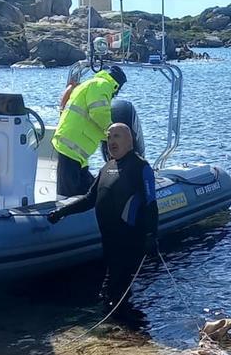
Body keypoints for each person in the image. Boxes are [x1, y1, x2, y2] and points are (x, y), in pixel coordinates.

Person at [47, 123, 158, 311]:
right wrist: (61, 213)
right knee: (111, 288)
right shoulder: (107, 167)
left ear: (129, 141)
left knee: (116, 287)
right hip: (109, 240)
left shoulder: (140, 167)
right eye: (109, 137)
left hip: (130, 240)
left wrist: (151, 235)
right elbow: (90, 199)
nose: (111, 141)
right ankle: (118, 327)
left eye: (117, 136)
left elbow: (151, 204)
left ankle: (120, 327)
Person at [50, 65, 127, 197]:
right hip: (72, 147)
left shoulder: (91, 84)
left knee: (88, 189)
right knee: (67, 194)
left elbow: (91, 119)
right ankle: (62, 214)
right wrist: (114, 133)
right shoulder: (102, 85)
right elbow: (99, 113)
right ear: (117, 85)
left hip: (76, 149)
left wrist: (107, 137)